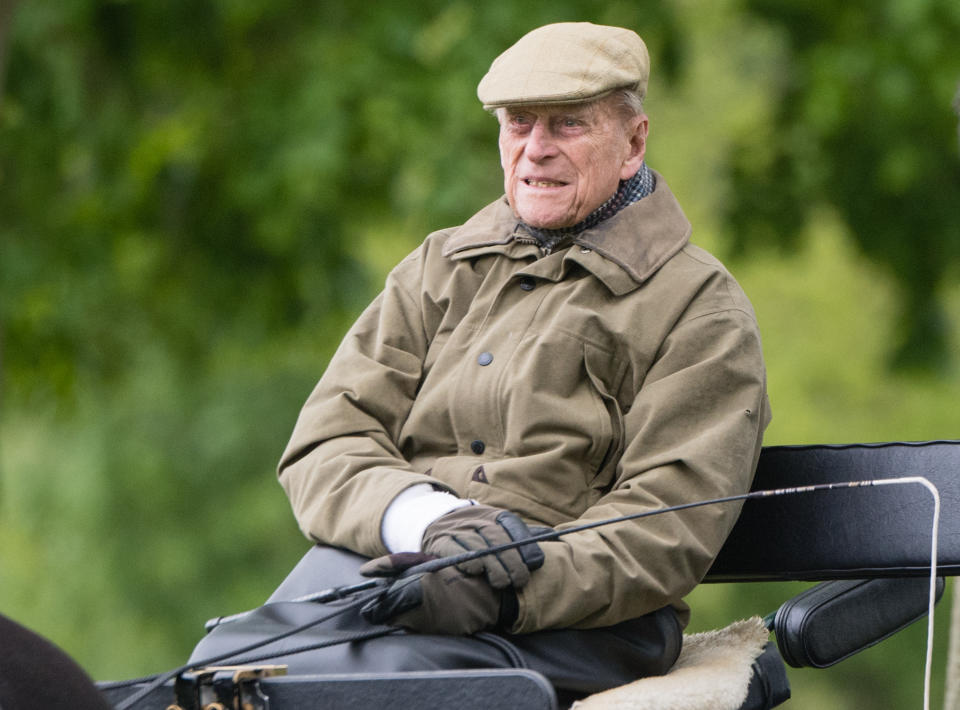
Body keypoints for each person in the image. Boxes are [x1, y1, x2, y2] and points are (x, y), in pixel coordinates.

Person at [194, 21, 771, 703]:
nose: (536, 151)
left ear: (633, 141)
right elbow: (325, 442)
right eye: (519, 124)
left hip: (580, 621)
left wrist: (501, 583)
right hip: (388, 568)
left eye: (567, 126)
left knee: (365, 689)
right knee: (219, 665)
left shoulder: (700, 309)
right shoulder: (438, 268)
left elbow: (666, 527)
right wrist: (424, 520)